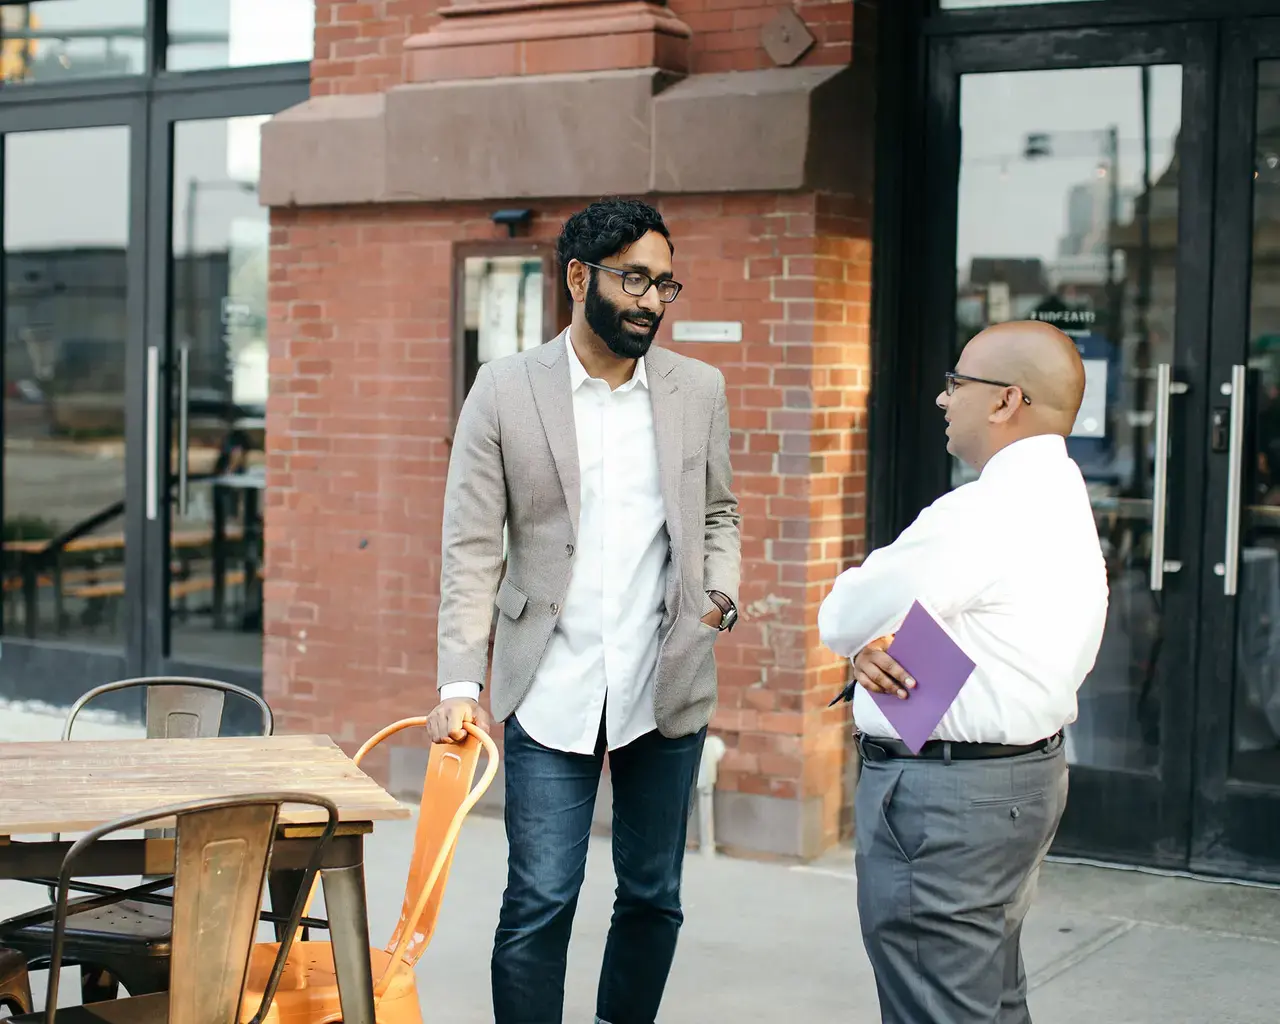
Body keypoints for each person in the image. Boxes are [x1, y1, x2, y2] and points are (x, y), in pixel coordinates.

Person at [426, 197, 742, 1024]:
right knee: (539, 900)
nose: (649, 300)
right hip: (551, 680)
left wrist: (717, 601)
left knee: (653, 896)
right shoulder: (503, 389)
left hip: (663, 681)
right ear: (579, 276)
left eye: (665, 285)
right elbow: (469, 544)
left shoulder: (696, 389)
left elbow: (718, 513)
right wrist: (461, 678)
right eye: (635, 278)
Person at [817, 319, 1109, 1024]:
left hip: (948, 805)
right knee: (989, 1002)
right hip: (1015, 783)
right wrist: (875, 651)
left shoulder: (984, 511)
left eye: (957, 384)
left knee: (938, 1008)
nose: (943, 400)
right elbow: (988, 634)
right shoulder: (1061, 494)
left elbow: (844, 611)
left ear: (1007, 401)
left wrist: (861, 639)